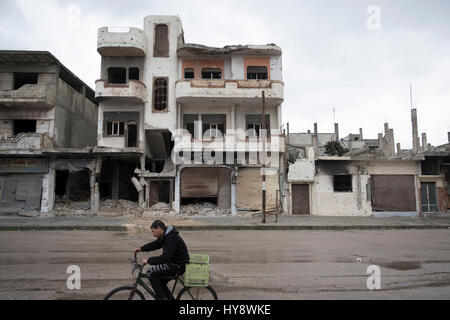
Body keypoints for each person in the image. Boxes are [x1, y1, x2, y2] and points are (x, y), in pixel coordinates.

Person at [133, 220, 189, 300]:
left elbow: (165, 258)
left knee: (152, 273)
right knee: (160, 282)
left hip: (177, 266)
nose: (153, 234)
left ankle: (162, 298)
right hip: (173, 264)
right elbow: (155, 244)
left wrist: (149, 260)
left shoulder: (171, 237)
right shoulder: (166, 235)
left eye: (153, 231)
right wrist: (141, 249)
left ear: (159, 228)